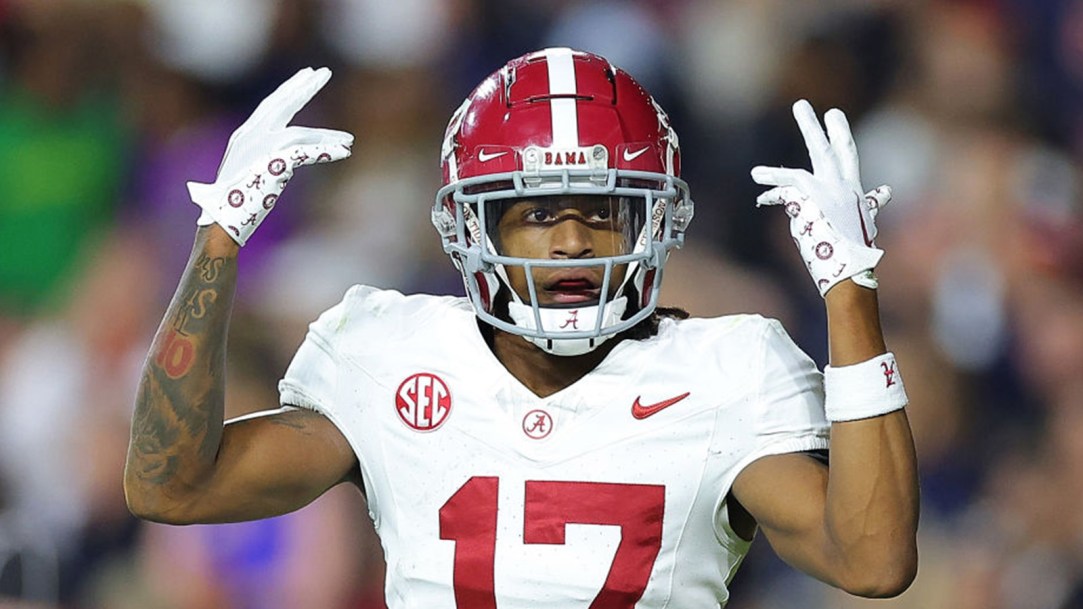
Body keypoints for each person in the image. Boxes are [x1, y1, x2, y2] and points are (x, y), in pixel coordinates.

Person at [124, 49, 919, 608]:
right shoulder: (386, 351)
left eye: (602, 211)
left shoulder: (724, 369)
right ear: (475, 226)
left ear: (652, 222)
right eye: (537, 212)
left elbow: (872, 561)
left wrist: (851, 294)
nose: (571, 240)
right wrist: (217, 243)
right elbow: (170, 485)